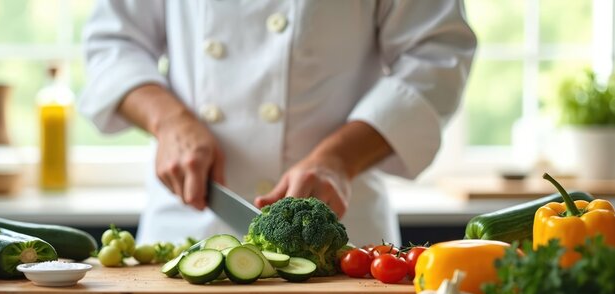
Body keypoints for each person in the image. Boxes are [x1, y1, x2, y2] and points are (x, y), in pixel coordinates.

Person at [79, 1, 476, 247]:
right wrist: (169, 121)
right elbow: (112, 44)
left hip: (339, 227)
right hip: (188, 220)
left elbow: (438, 55)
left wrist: (339, 158)